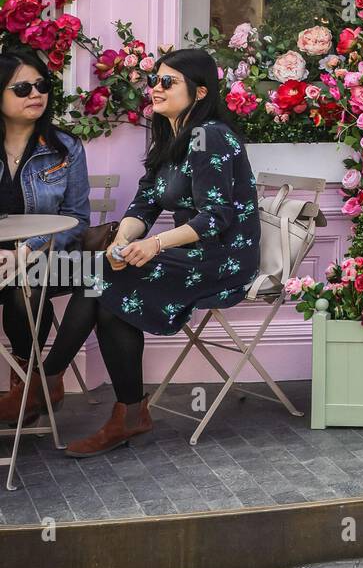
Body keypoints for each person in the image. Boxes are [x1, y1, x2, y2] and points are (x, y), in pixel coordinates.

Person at [39, 49, 261, 457]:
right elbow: (144, 204)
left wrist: (155, 243)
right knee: (107, 289)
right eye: (154, 80)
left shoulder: (209, 135)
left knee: (98, 280)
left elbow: (218, 216)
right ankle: (126, 414)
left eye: (167, 82)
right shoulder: (172, 135)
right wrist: (123, 242)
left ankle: (47, 384)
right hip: (191, 251)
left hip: (222, 258)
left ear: (200, 92)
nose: (155, 89)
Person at [0, 46, 91, 424]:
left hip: (49, 260)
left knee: (30, 285)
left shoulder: (65, 148)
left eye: (42, 85)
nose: (36, 94)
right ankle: (34, 383)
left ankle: (31, 381)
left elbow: (76, 219)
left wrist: (27, 252)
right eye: (22, 89)